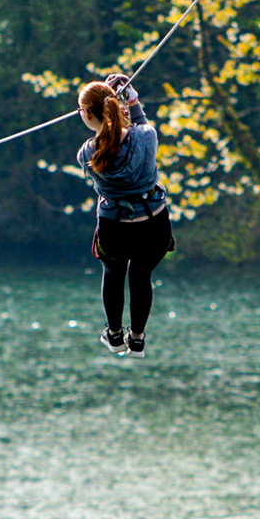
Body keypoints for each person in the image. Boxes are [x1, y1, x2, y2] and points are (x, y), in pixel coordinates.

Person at [77, 74, 173, 358]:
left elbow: (110, 138)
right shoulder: (146, 137)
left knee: (114, 273)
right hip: (153, 223)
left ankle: (115, 335)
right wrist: (131, 99)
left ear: (87, 114)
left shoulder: (88, 154)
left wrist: (116, 105)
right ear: (115, 107)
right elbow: (140, 129)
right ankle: (138, 338)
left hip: (115, 226)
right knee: (141, 275)